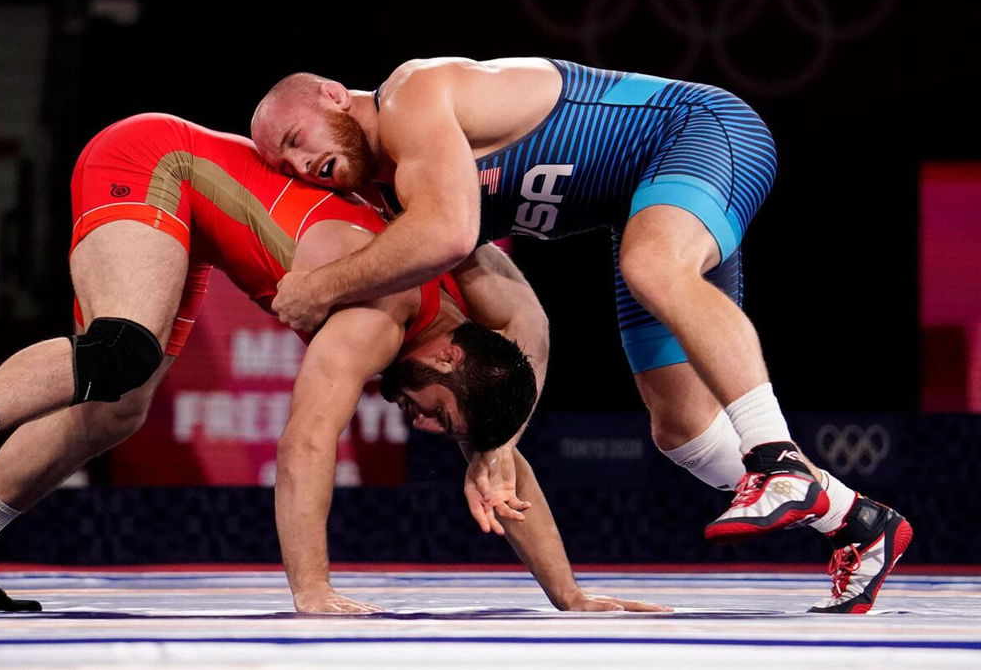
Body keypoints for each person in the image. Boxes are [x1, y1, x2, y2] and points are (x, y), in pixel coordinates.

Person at [0, 113, 666, 615]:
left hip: (200, 221)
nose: (415, 421)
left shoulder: (469, 325)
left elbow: (513, 397)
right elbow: (304, 447)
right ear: (451, 355)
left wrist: (570, 596)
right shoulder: (380, 318)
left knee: (118, 405)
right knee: (120, 351)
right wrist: (311, 591)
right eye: (436, 414)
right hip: (156, 158)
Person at [250, 58, 911, 614]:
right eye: (286, 164)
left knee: (653, 266)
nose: (301, 163)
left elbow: (451, 233)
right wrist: (498, 443)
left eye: (297, 138)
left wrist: (324, 284)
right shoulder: (403, 201)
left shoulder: (410, 96)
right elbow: (525, 319)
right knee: (680, 427)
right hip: (646, 198)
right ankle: (858, 521)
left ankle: (779, 460)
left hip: (703, 128)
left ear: (334, 96)